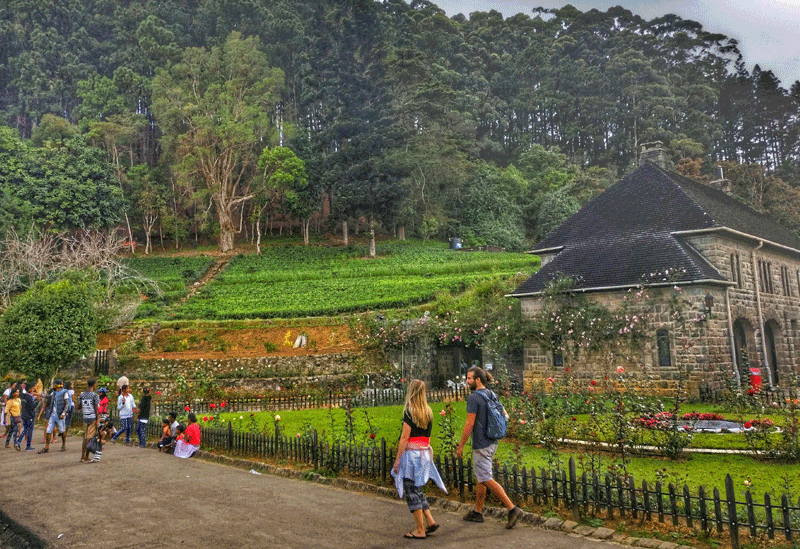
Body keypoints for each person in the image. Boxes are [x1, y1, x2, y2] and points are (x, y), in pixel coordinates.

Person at [457, 366, 523, 529]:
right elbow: (505, 415)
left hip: (481, 443)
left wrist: (461, 445)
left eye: (470, 378)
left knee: (485, 477)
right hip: (493, 441)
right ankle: (477, 512)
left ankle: (512, 508)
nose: (467, 381)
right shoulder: (491, 394)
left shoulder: (474, 398)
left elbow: (469, 424)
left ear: (478, 380)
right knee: (482, 476)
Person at [391, 380, 446, 539]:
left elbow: (404, 437)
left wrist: (397, 460)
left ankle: (420, 529)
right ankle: (430, 521)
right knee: (418, 488)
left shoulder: (410, 411)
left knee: (410, 490)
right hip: (424, 454)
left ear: (411, 392)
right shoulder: (428, 411)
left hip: (412, 455)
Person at [39, 379, 71, 454]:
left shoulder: (65, 392)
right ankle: (46, 446)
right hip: (53, 414)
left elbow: (67, 404)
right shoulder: (53, 393)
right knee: (48, 430)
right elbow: (47, 396)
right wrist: (39, 395)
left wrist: (63, 413)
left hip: (60, 415)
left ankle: (63, 445)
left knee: (62, 430)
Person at [79, 379, 100, 463]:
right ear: (94, 385)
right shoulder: (95, 395)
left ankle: (82, 456)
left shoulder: (82, 395)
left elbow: (78, 406)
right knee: (89, 438)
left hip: (85, 417)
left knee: (85, 438)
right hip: (92, 418)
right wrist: (97, 420)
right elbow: (96, 408)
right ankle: (86, 457)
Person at [17, 382, 39, 451]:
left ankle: (18, 442)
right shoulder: (29, 397)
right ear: (29, 389)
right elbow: (32, 407)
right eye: (33, 388)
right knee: (29, 431)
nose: (33, 389)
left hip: (24, 415)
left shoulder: (24, 396)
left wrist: (34, 400)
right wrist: (37, 402)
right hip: (30, 416)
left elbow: (27, 405)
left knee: (25, 429)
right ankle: (28, 446)